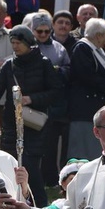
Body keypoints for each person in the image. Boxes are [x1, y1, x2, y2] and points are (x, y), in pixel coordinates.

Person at [0, 24, 63, 208]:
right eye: (12, 42)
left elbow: (56, 91)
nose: (15, 46)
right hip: (12, 124)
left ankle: (41, 208)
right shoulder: (9, 65)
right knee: (10, 165)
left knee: (30, 169)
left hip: (34, 124)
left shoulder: (43, 63)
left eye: (18, 42)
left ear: (28, 43)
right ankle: (13, 204)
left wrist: (32, 99)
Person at [67, 18, 105, 160]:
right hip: (84, 108)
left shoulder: (98, 50)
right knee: (82, 148)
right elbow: (86, 74)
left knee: (93, 146)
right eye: (104, 36)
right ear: (97, 35)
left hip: (96, 107)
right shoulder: (82, 48)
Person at [31, 12, 71, 187]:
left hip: (52, 103)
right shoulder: (28, 47)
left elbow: (68, 70)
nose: (43, 35)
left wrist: (55, 71)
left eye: (46, 32)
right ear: (33, 31)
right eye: (39, 32)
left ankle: (49, 179)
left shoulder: (59, 48)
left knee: (50, 145)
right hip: (32, 101)